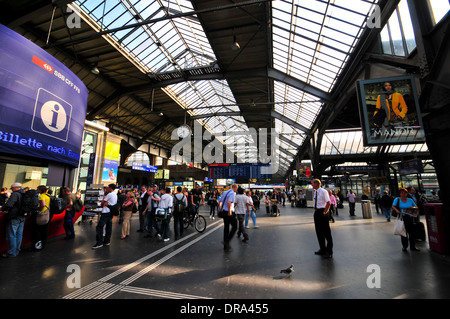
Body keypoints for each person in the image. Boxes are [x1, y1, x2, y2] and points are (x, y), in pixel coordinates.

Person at [0, 183, 25, 258]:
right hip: (22, 216)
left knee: (12, 235)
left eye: (12, 188)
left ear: (15, 188)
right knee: (19, 234)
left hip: (14, 216)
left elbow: (9, 205)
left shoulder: (15, 194)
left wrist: (2, 208)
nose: (12, 190)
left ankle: (11, 252)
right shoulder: (24, 194)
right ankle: (16, 250)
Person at [392, 188, 419, 252]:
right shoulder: (397, 199)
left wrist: (412, 207)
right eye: (402, 193)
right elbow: (393, 206)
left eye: (405, 193)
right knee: (403, 233)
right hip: (402, 218)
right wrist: (397, 210)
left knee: (412, 233)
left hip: (410, 217)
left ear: (407, 193)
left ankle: (413, 246)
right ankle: (405, 246)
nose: (403, 194)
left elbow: (416, 207)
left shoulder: (410, 200)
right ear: (400, 193)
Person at [312, 179, 333, 258]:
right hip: (317, 212)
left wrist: (325, 212)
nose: (312, 185)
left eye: (312, 184)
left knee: (326, 232)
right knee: (319, 232)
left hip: (322, 212)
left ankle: (329, 251)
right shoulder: (316, 192)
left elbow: (328, 203)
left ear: (317, 184)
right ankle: (322, 249)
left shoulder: (324, 192)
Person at [92, 184, 117, 249]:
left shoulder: (109, 194)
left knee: (99, 227)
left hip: (106, 212)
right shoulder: (115, 194)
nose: (107, 188)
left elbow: (102, 203)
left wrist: (103, 202)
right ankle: (107, 241)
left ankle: (99, 242)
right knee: (109, 226)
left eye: (108, 187)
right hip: (111, 212)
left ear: (110, 188)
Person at [30, 185, 51, 250]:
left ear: (40, 190)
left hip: (41, 213)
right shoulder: (48, 195)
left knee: (38, 230)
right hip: (47, 213)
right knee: (45, 230)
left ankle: (37, 245)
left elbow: (43, 204)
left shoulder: (41, 196)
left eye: (38, 189)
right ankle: (43, 244)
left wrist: (38, 208)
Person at [219, 184, 238, 252]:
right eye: (236, 188)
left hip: (224, 211)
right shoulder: (233, 193)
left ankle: (225, 246)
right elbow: (229, 202)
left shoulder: (225, 192)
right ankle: (227, 241)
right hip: (229, 212)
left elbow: (220, 201)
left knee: (226, 228)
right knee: (235, 226)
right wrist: (229, 211)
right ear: (235, 188)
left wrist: (219, 209)